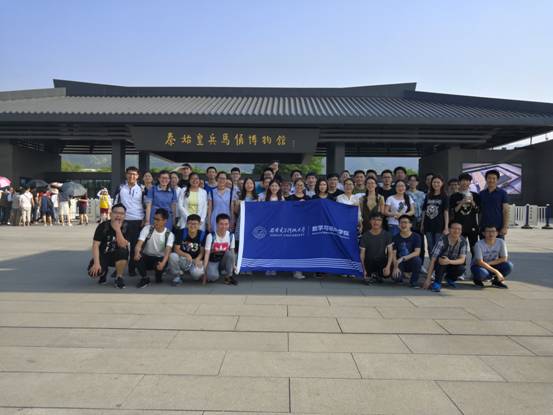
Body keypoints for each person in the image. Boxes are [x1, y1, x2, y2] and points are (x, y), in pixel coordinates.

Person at [88, 203, 129, 289]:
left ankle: (119, 277)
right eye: (116, 212)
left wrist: (118, 230)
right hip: (103, 255)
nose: (118, 215)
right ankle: (103, 272)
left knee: (123, 251)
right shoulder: (103, 226)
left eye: (121, 213)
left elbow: (122, 245)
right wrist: (96, 263)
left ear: (125, 216)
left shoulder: (127, 226)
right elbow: (95, 245)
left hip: (118, 255)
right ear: (110, 214)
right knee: (94, 273)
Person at [113, 166, 145, 276]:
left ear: (138, 176)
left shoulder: (142, 188)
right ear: (126, 175)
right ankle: (118, 268)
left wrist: (144, 219)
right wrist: (114, 219)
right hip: (124, 220)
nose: (132, 176)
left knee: (135, 246)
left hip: (138, 220)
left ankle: (132, 268)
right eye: (130, 174)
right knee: (121, 246)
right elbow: (115, 203)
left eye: (134, 174)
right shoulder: (120, 187)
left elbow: (146, 204)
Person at [134, 208, 174, 288]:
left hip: (160, 258)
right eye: (154, 219)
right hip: (147, 257)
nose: (155, 221)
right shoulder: (147, 229)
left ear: (165, 221)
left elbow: (167, 252)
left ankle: (159, 275)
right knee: (137, 256)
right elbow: (139, 244)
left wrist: (163, 263)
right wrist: (137, 252)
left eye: (158, 219)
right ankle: (144, 278)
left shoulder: (169, 234)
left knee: (160, 270)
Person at [423, 221, 468, 292]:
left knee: (461, 268)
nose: (456, 231)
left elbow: (462, 259)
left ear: (461, 231)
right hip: (440, 264)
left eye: (459, 229)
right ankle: (437, 282)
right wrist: (428, 279)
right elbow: (433, 260)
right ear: (449, 229)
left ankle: (449, 278)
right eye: (454, 228)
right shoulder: (442, 240)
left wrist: (449, 261)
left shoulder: (463, 242)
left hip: (452, 263)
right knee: (442, 260)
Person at [169, 214, 206, 284]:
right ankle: (177, 275)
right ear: (187, 224)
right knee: (173, 256)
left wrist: (198, 259)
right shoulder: (181, 232)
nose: (192, 226)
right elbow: (176, 249)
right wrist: (186, 255)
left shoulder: (202, 234)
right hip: (183, 259)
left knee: (197, 275)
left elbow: (202, 252)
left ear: (199, 225)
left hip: (194, 260)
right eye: (190, 223)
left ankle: (190, 272)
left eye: (195, 224)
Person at [450, 173, 480, 254]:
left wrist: (472, 202)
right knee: (459, 249)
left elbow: (477, 210)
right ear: (459, 182)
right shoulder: (454, 196)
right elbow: (454, 211)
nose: (465, 182)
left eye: (467, 181)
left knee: (475, 249)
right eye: (463, 180)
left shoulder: (475, 195)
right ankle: (460, 262)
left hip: (472, 226)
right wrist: (462, 202)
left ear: (470, 182)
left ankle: (475, 262)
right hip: (458, 227)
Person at [203, 213, 237, 285]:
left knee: (229, 254)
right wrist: (205, 271)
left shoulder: (231, 235)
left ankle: (229, 276)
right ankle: (214, 271)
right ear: (217, 224)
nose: (224, 226)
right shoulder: (210, 236)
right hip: (213, 260)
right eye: (221, 224)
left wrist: (234, 265)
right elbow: (207, 254)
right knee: (212, 277)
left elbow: (232, 251)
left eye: (226, 224)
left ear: (229, 224)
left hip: (223, 260)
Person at [286, 178, 310, 279]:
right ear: (294, 186)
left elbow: (311, 212)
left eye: (301, 185)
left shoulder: (308, 198)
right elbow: (286, 212)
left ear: (304, 186)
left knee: (302, 248)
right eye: (297, 185)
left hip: (305, 226)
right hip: (293, 226)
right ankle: (296, 270)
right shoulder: (289, 198)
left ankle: (301, 269)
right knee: (294, 248)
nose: (299, 187)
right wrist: (297, 205)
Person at [359, 214, 393, 284]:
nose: (376, 222)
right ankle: (369, 274)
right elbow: (362, 254)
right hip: (369, 261)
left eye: (379, 220)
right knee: (369, 258)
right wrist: (363, 269)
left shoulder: (387, 235)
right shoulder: (365, 235)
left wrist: (388, 266)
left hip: (381, 260)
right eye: (374, 219)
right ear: (370, 221)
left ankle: (377, 275)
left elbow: (390, 252)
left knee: (388, 273)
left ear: (382, 222)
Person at [421, 175, 449, 256]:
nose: (436, 184)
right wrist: (422, 224)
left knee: (438, 247)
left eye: (438, 182)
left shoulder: (444, 196)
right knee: (430, 247)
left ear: (442, 183)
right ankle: (432, 263)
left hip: (439, 225)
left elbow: (446, 212)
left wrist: (446, 227)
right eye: (434, 182)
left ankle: (438, 264)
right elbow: (424, 211)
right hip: (428, 225)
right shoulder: (428, 196)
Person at [392, 215, 422, 287]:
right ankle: (401, 276)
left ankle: (413, 281)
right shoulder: (395, 237)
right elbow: (393, 254)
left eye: (405, 222)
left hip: (411, 261)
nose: (403, 225)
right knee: (396, 278)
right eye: (401, 223)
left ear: (410, 225)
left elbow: (417, 252)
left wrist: (403, 258)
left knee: (417, 260)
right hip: (400, 263)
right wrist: (395, 267)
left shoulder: (416, 236)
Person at [479, 169, 509, 239]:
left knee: (498, 245)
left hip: (498, 228)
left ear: (497, 180)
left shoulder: (503, 193)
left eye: (494, 178)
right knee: (483, 245)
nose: (491, 180)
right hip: (484, 228)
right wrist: (479, 226)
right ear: (486, 179)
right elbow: (479, 211)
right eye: (489, 178)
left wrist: (505, 227)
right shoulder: (481, 194)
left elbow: (505, 210)